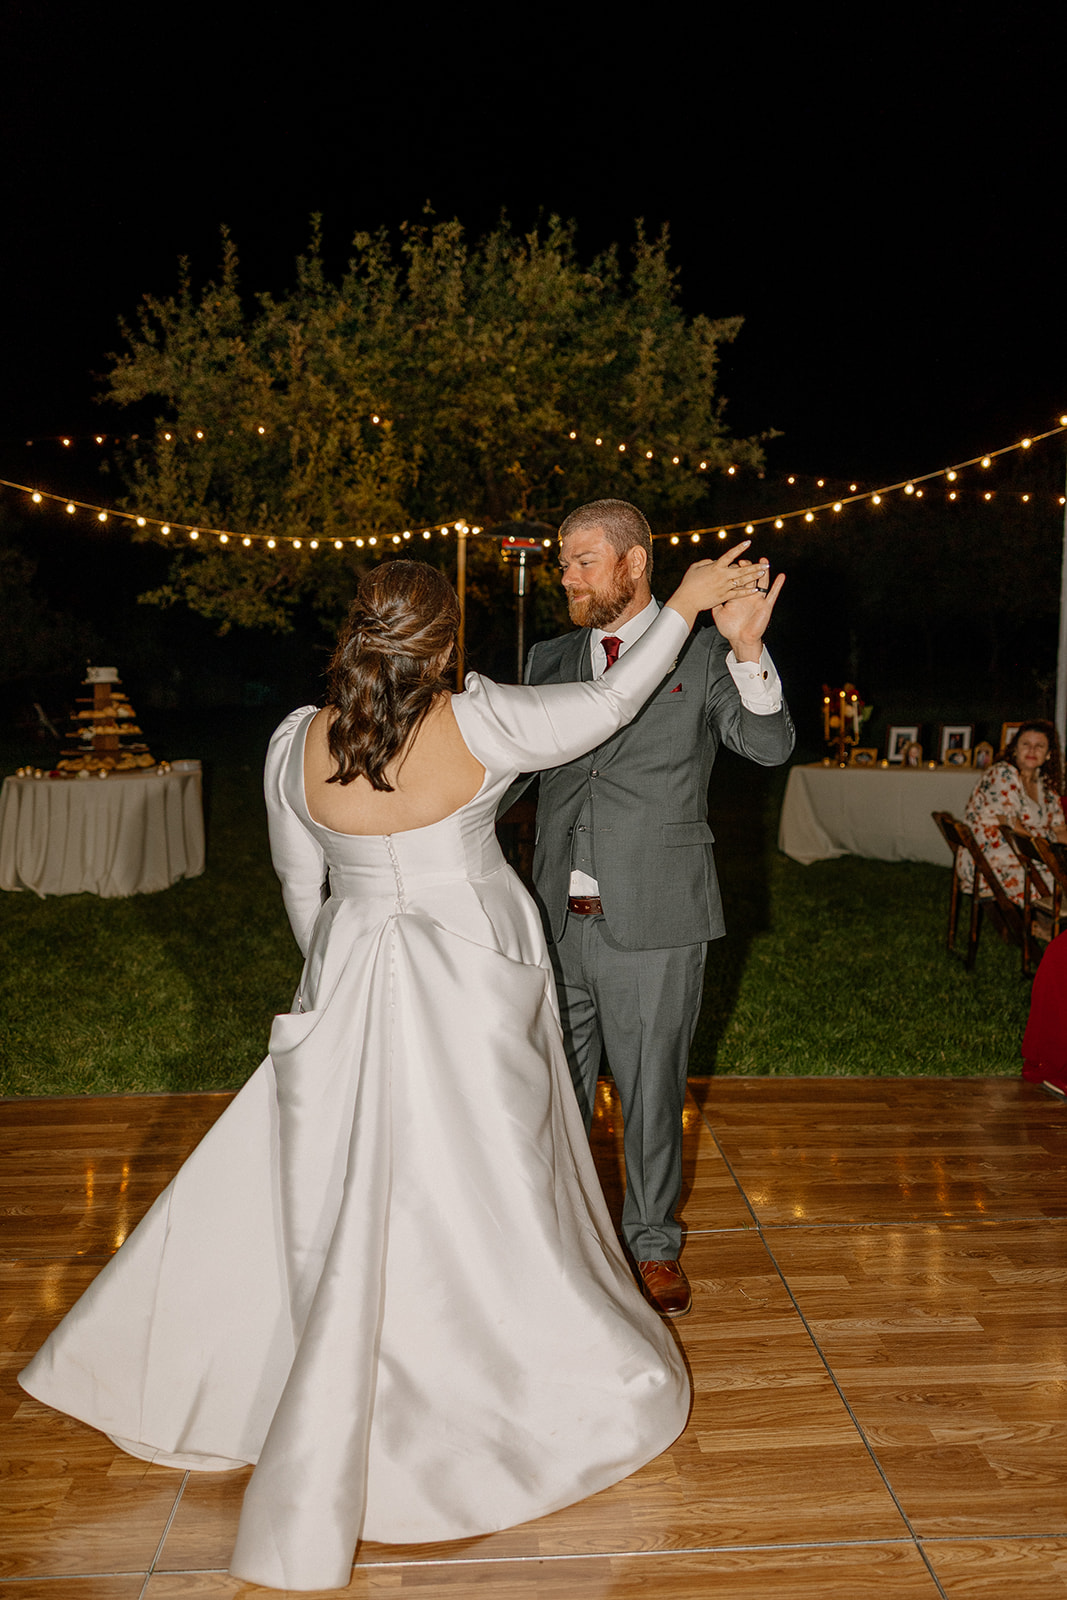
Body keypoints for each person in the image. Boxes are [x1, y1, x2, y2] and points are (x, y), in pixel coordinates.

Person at [18, 550, 763, 1594]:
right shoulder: (484, 719)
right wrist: (678, 606)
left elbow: (298, 884)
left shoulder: (296, 742)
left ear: (353, 635)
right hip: (472, 979)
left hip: (355, 970)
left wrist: (336, 969)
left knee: (334, 1182)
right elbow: (608, 699)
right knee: (484, 1190)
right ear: (446, 642)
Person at [505, 499, 794, 1320]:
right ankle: (557, 1237)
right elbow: (516, 771)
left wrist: (745, 647)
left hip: (657, 920)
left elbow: (767, 746)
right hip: (553, 921)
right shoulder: (549, 657)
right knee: (548, 1094)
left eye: (582, 560)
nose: (566, 575)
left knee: (651, 1092)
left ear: (634, 564)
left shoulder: (702, 656)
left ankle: (652, 1244)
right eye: (563, 561)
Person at [957, 721, 1067, 905]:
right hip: (992, 860)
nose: (1032, 750)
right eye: (1026, 744)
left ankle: (1048, 928)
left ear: (1048, 754)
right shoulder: (1002, 774)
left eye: (1039, 746)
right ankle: (1047, 929)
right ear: (1015, 749)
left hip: (1030, 856)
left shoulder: (1046, 785)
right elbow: (1011, 826)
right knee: (1059, 884)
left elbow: (1059, 828)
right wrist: (1049, 855)